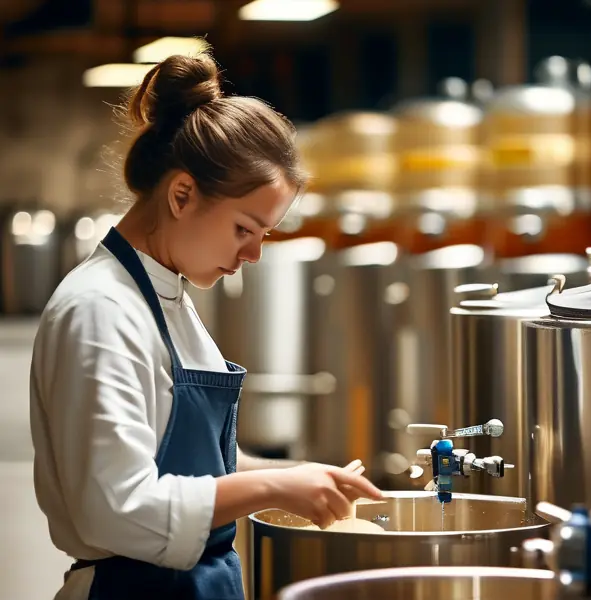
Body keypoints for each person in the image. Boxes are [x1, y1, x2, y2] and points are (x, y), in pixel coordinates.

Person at [28, 47, 383, 600]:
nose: (255, 255)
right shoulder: (99, 311)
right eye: (245, 229)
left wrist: (298, 475)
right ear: (182, 194)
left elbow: (185, 456)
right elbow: (116, 509)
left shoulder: (166, 295)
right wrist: (271, 485)